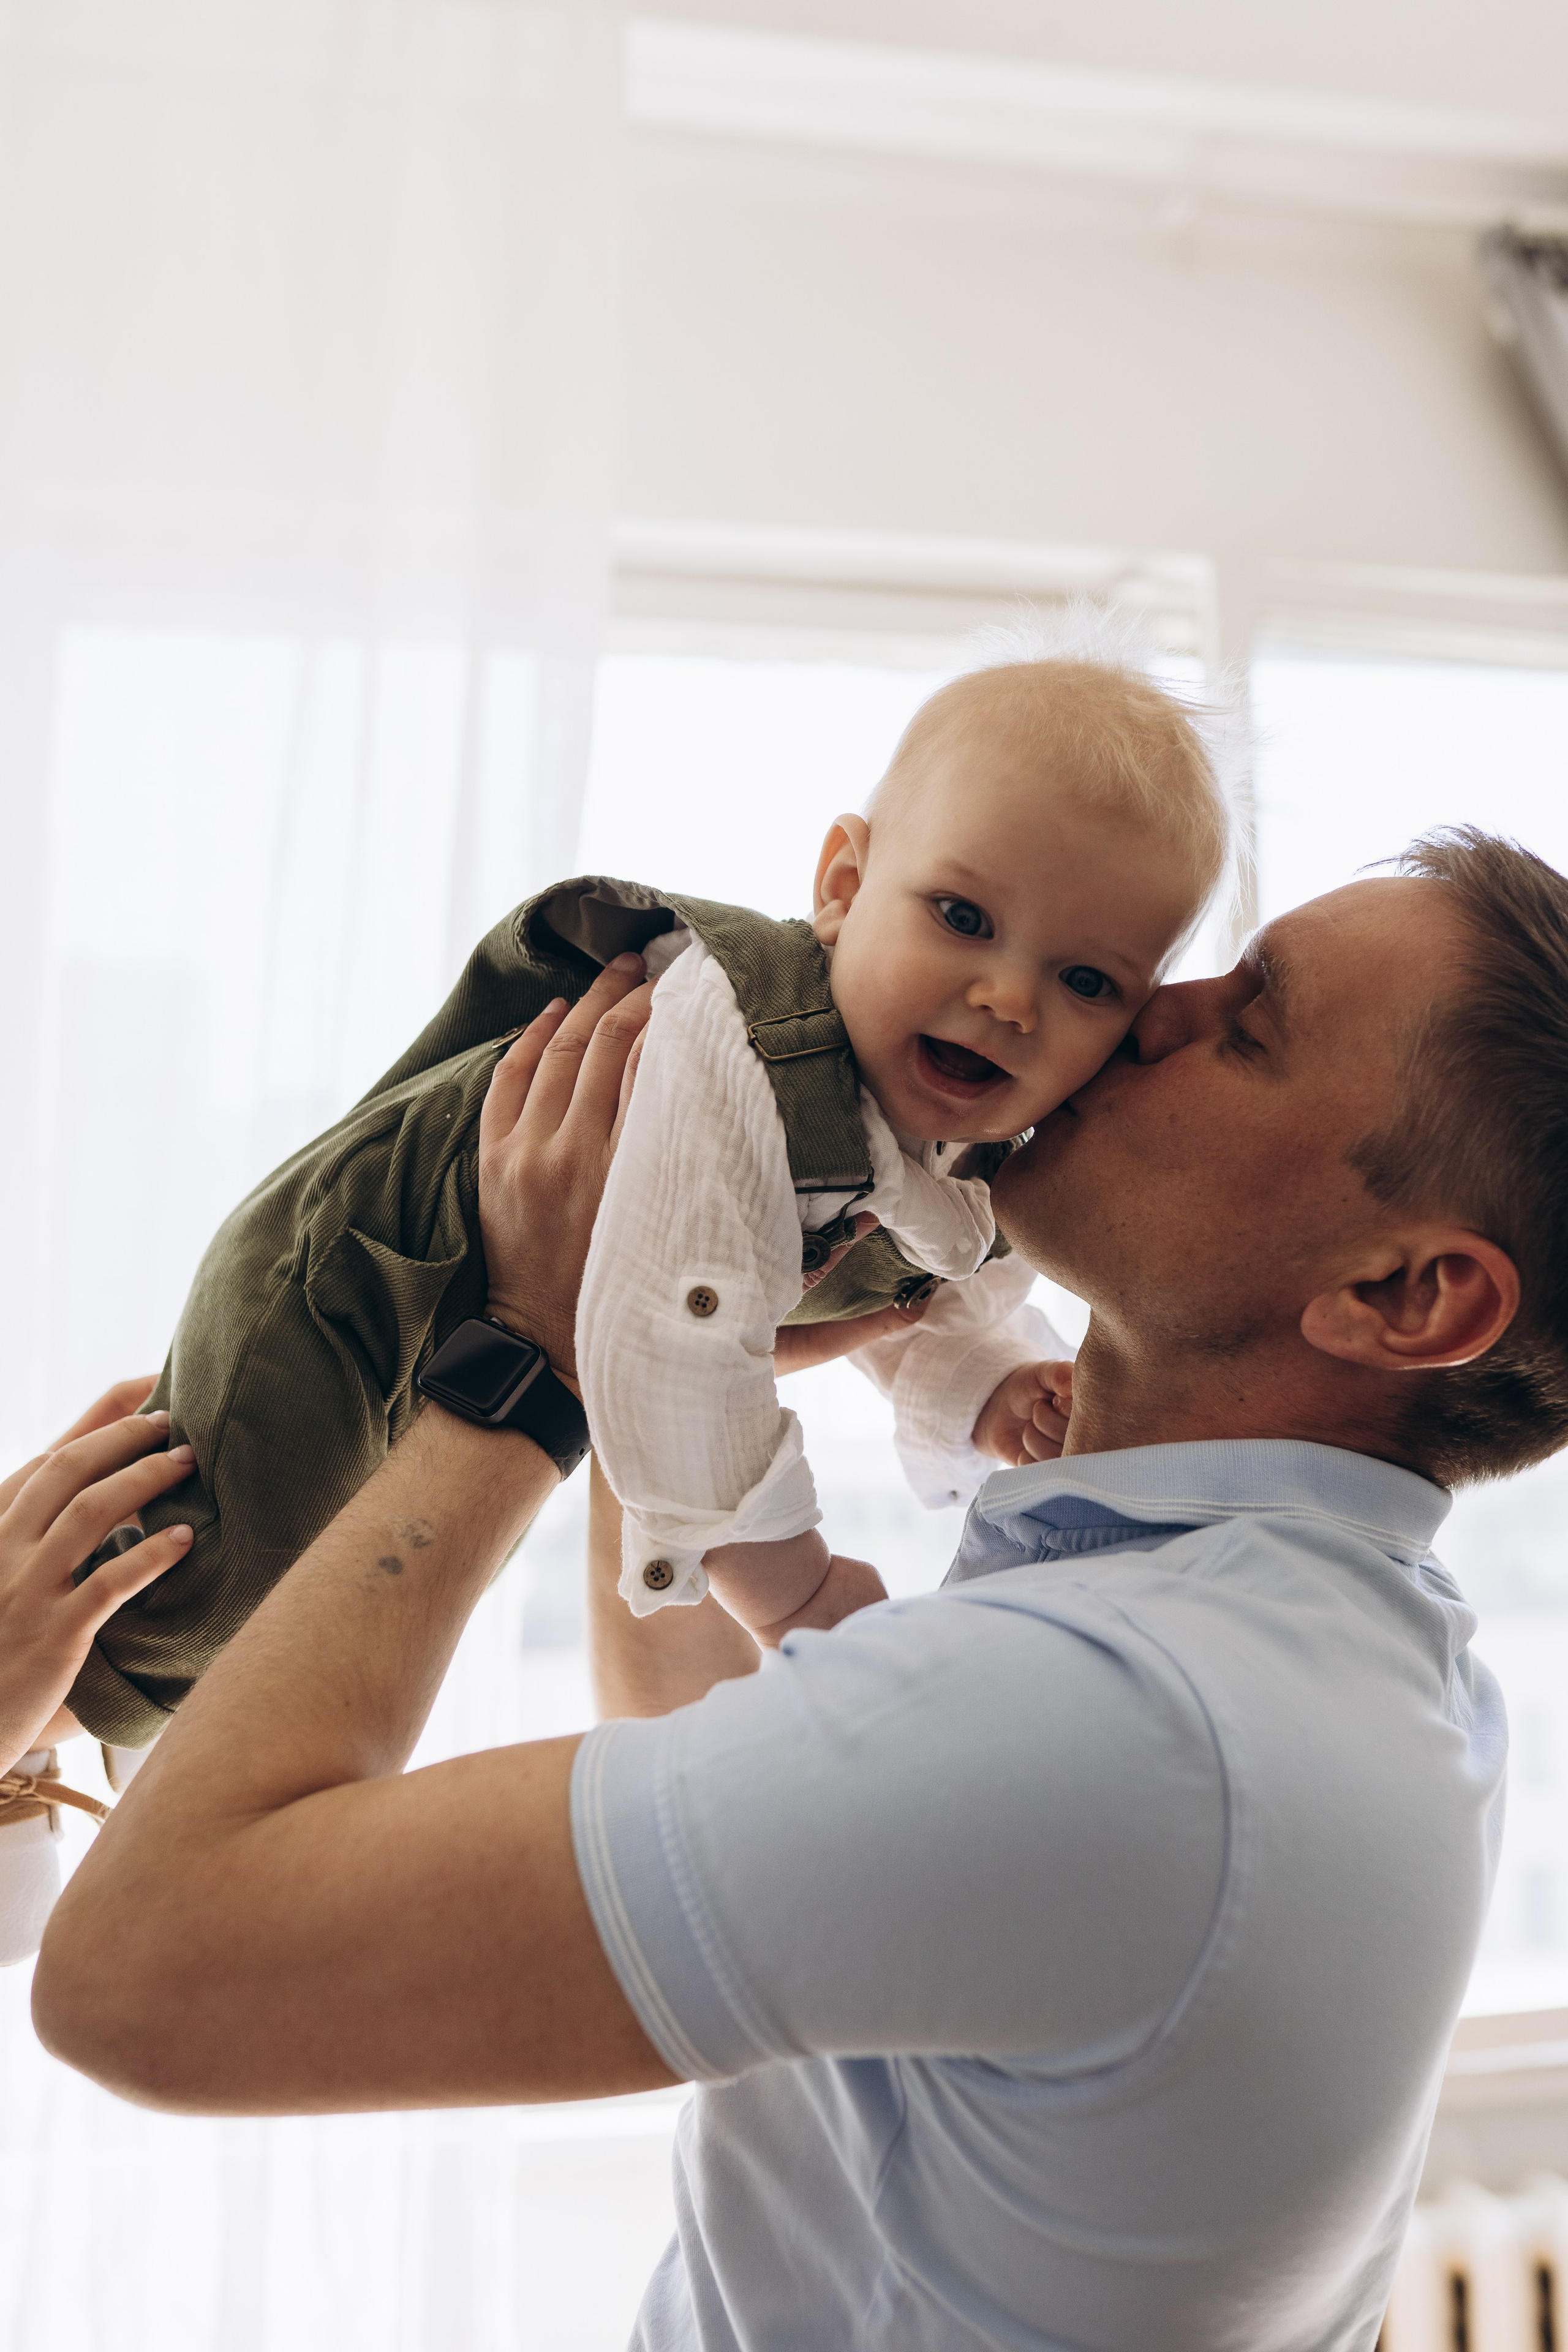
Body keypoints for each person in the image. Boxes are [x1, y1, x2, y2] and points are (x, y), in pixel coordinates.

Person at [32, 826, 1566, 2350]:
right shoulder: (1364, 1660)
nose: (1149, 1006)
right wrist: (666, 1329)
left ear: (1403, 1294)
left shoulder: (1117, 1723)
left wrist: (528, 1365)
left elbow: (148, 1972)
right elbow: (750, 1827)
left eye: (1247, 1024)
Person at [46, 650, 1226, 1767]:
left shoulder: (955, 1133)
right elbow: (682, 1349)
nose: (1010, 997)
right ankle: (39, 1728)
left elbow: (895, 1274)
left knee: (368, 1579)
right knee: (187, 1603)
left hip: (494, 1333)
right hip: (354, 1288)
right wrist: (798, 1591)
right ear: (844, 888)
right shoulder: (738, 1053)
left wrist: (990, 1385)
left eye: (1087, 980)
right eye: (963, 918)